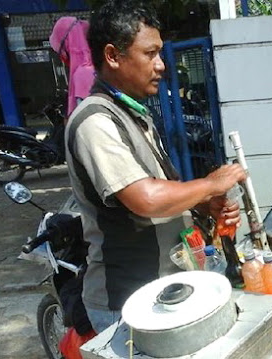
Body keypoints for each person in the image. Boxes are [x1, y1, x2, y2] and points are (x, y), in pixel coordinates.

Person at [65, 0, 247, 333]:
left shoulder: (135, 116)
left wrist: (204, 205)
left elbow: (160, 191)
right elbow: (145, 198)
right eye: (150, 54)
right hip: (127, 303)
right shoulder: (95, 121)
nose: (161, 65)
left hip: (163, 292)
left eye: (159, 53)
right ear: (113, 56)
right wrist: (210, 184)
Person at [49, 16, 95, 116]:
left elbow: (85, 120)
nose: (61, 56)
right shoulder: (104, 64)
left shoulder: (83, 73)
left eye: (60, 50)